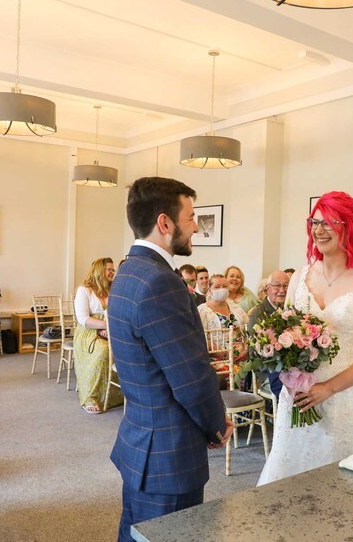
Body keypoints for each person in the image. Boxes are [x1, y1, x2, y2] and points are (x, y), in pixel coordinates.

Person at [108, 176, 233, 542]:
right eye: (191, 216)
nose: (195, 225)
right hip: (168, 452)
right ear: (165, 223)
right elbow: (190, 376)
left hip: (142, 440)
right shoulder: (160, 281)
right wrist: (215, 424)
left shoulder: (130, 270)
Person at [258, 192, 353, 485]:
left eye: (328, 223)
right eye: (314, 222)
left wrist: (329, 388)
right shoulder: (300, 277)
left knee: (338, 488)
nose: (318, 230)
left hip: (344, 400)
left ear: (349, 226)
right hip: (298, 399)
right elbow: (285, 333)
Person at [74, 257, 123, 415]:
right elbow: (83, 319)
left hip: (112, 330)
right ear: (99, 271)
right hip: (89, 333)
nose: (112, 272)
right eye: (109, 269)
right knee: (103, 351)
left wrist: (110, 328)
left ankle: (118, 393)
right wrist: (104, 326)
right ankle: (92, 397)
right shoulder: (84, 290)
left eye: (113, 269)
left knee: (128, 349)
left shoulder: (113, 289)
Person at [247, 270, 290, 399]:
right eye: (277, 286)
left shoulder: (290, 310)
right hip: (267, 369)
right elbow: (254, 350)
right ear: (267, 289)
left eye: (286, 285)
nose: (282, 290)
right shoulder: (258, 312)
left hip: (288, 367)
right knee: (291, 390)